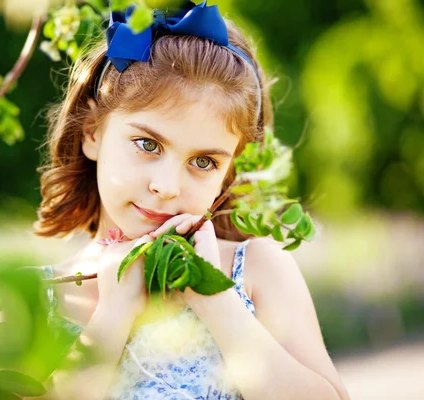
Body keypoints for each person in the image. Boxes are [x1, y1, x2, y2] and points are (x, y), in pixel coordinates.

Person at [35, 1, 350, 399]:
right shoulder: (37, 296)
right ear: (93, 132)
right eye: (147, 144)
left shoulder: (256, 270)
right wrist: (113, 314)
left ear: (226, 174)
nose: (167, 186)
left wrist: (216, 299)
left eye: (203, 161)